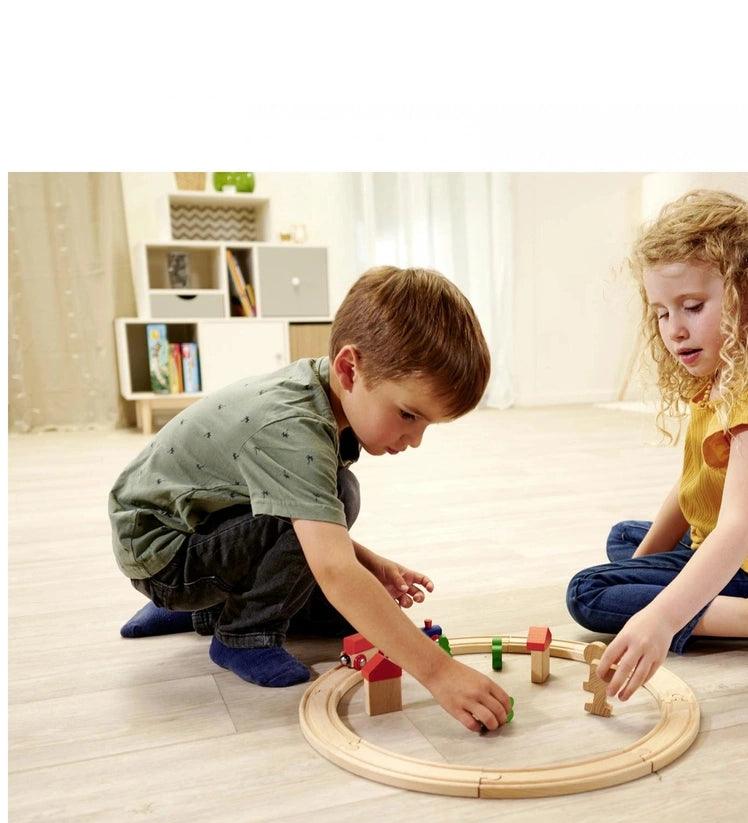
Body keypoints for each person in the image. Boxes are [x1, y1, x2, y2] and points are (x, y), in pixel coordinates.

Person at [110, 265, 511, 733]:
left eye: (426, 424)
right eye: (408, 414)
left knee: (335, 554)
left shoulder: (318, 390)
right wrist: (440, 673)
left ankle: (206, 605)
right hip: (165, 557)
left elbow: (302, 514)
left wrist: (368, 561)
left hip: (186, 528)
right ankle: (240, 634)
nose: (415, 439)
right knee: (340, 511)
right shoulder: (291, 430)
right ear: (348, 368)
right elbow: (332, 567)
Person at [566, 189, 748, 703]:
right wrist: (638, 567)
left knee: (589, 593)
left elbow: (735, 532)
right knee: (625, 540)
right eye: (660, 313)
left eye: (693, 307)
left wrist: (659, 617)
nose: (674, 330)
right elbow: (695, 483)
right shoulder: (730, 370)